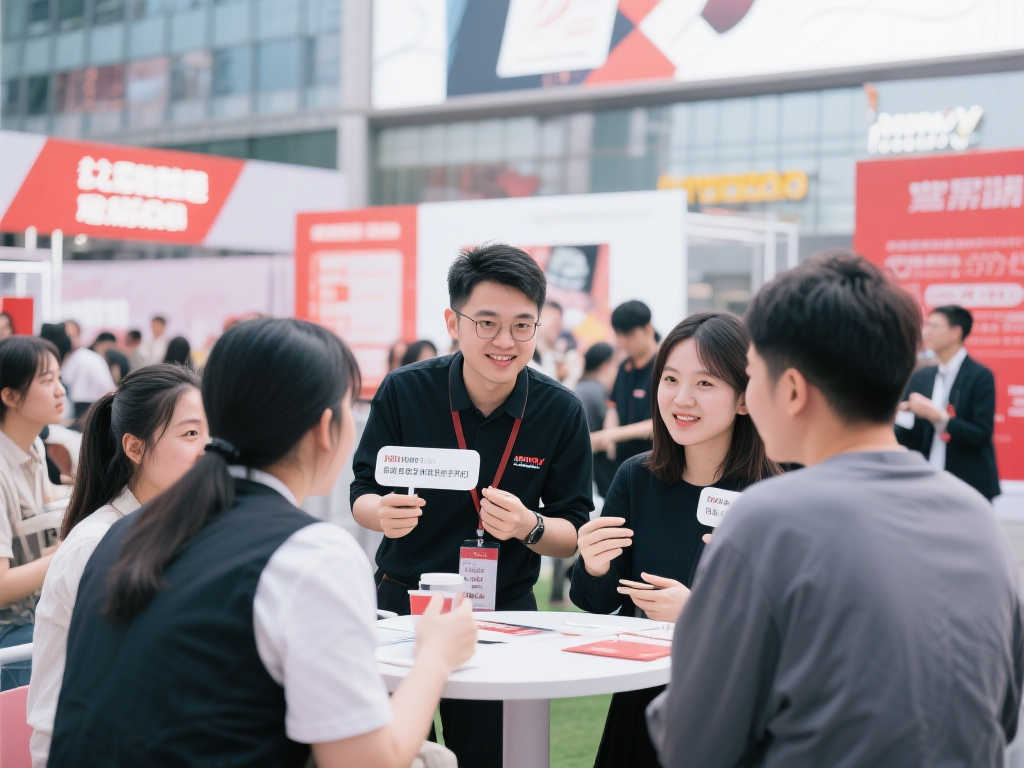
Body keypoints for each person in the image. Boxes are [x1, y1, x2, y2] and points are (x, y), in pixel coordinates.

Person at [646, 251, 1024, 767]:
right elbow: (1001, 716)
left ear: (792, 389)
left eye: (752, 376)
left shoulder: (768, 521)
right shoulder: (975, 517)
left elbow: (693, 741)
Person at [48, 318, 477, 767]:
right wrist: (436, 656)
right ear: (326, 427)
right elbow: (367, 763)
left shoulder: (126, 530)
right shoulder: (311, 554)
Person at [351, 244, 594, 767]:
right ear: (453, 323)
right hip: (403, 604)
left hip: (503, 613)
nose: (505, 341)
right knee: (394, 755)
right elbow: (361, 492)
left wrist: (530, 527)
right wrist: (380, 512)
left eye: (522, 325)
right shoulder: (405, 392)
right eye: (486, 323)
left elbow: (573, 530)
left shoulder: (559, 411)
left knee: (491, 755)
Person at [572, 313, 778, 767]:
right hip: (641, 699)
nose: (682, 398)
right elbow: (596, 602)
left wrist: (700, 612)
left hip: (732, 706)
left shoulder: (772, 492)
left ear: (744, 399)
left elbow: (790, 623)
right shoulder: (637, 478)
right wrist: (594, 565)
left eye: (705, 383)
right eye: (670, 379)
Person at [28, 364, 207, 767]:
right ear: (135, 448)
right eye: (190, 434)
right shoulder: (97, 545)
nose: (207, 450)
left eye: (210, 434)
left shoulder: (176, 527)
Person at [0, 336, 70, 689]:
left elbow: (47, 501)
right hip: (9, 631)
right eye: (47, 380)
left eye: (59, 378)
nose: (60, 390)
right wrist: (61, 557)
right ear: (10, 396)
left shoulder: (33, 448)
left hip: (34, 612)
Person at [896, 305, 1001, 501]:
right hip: (926, 481)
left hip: (969, 484)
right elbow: (909, 436)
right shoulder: (921, 377)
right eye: (925, 326)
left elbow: (981, 434)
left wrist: (938, 417)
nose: (926, 332)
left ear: (956, 332)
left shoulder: (980, 376)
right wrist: (899, 415)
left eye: (933, 326)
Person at [590, 300, 658, 466]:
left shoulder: (665, 368)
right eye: (618, 335)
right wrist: (608, 438)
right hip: (622, 463)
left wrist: (612, 435)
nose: (622, 342)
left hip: (652, 461)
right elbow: (613, 406)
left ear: (648, 329)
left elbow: (660, 425)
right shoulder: (624, 368)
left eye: (628, 335)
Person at [60, 322, 115, 420]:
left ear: (78, 336)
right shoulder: (68, 357)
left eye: (71, 335)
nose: (67, 339)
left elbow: (107, 387)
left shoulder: (90, 358)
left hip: (88, 408)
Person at [534, 300, 580, 387]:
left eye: (559, 322)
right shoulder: (527, 357)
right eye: (554, 320)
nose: (558, 326)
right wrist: (572, 377)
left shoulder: (557, 358)